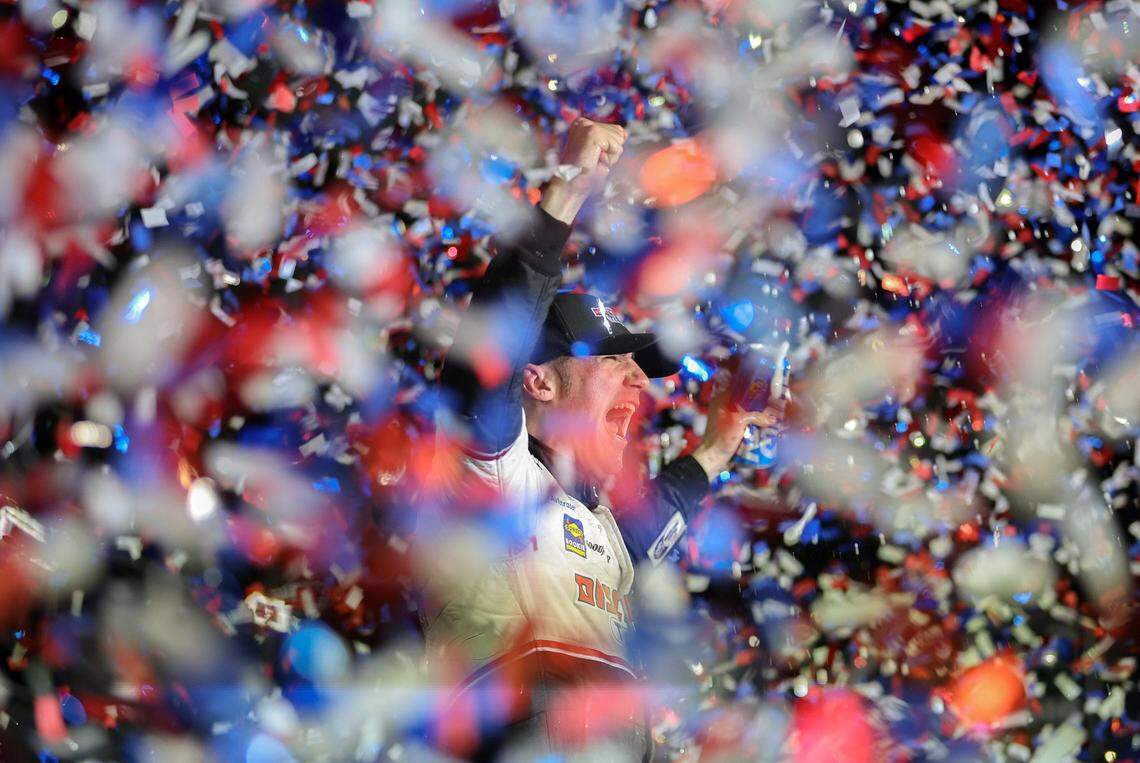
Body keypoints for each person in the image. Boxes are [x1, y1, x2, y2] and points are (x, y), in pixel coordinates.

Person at [421, 118, 778, 760]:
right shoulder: (492, 477)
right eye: (613, 362)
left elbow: (664, 510)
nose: (639, 380)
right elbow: (486, 357)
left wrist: (720, 444)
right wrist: (566, 192)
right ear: (538, 381)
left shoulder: (603, 522)